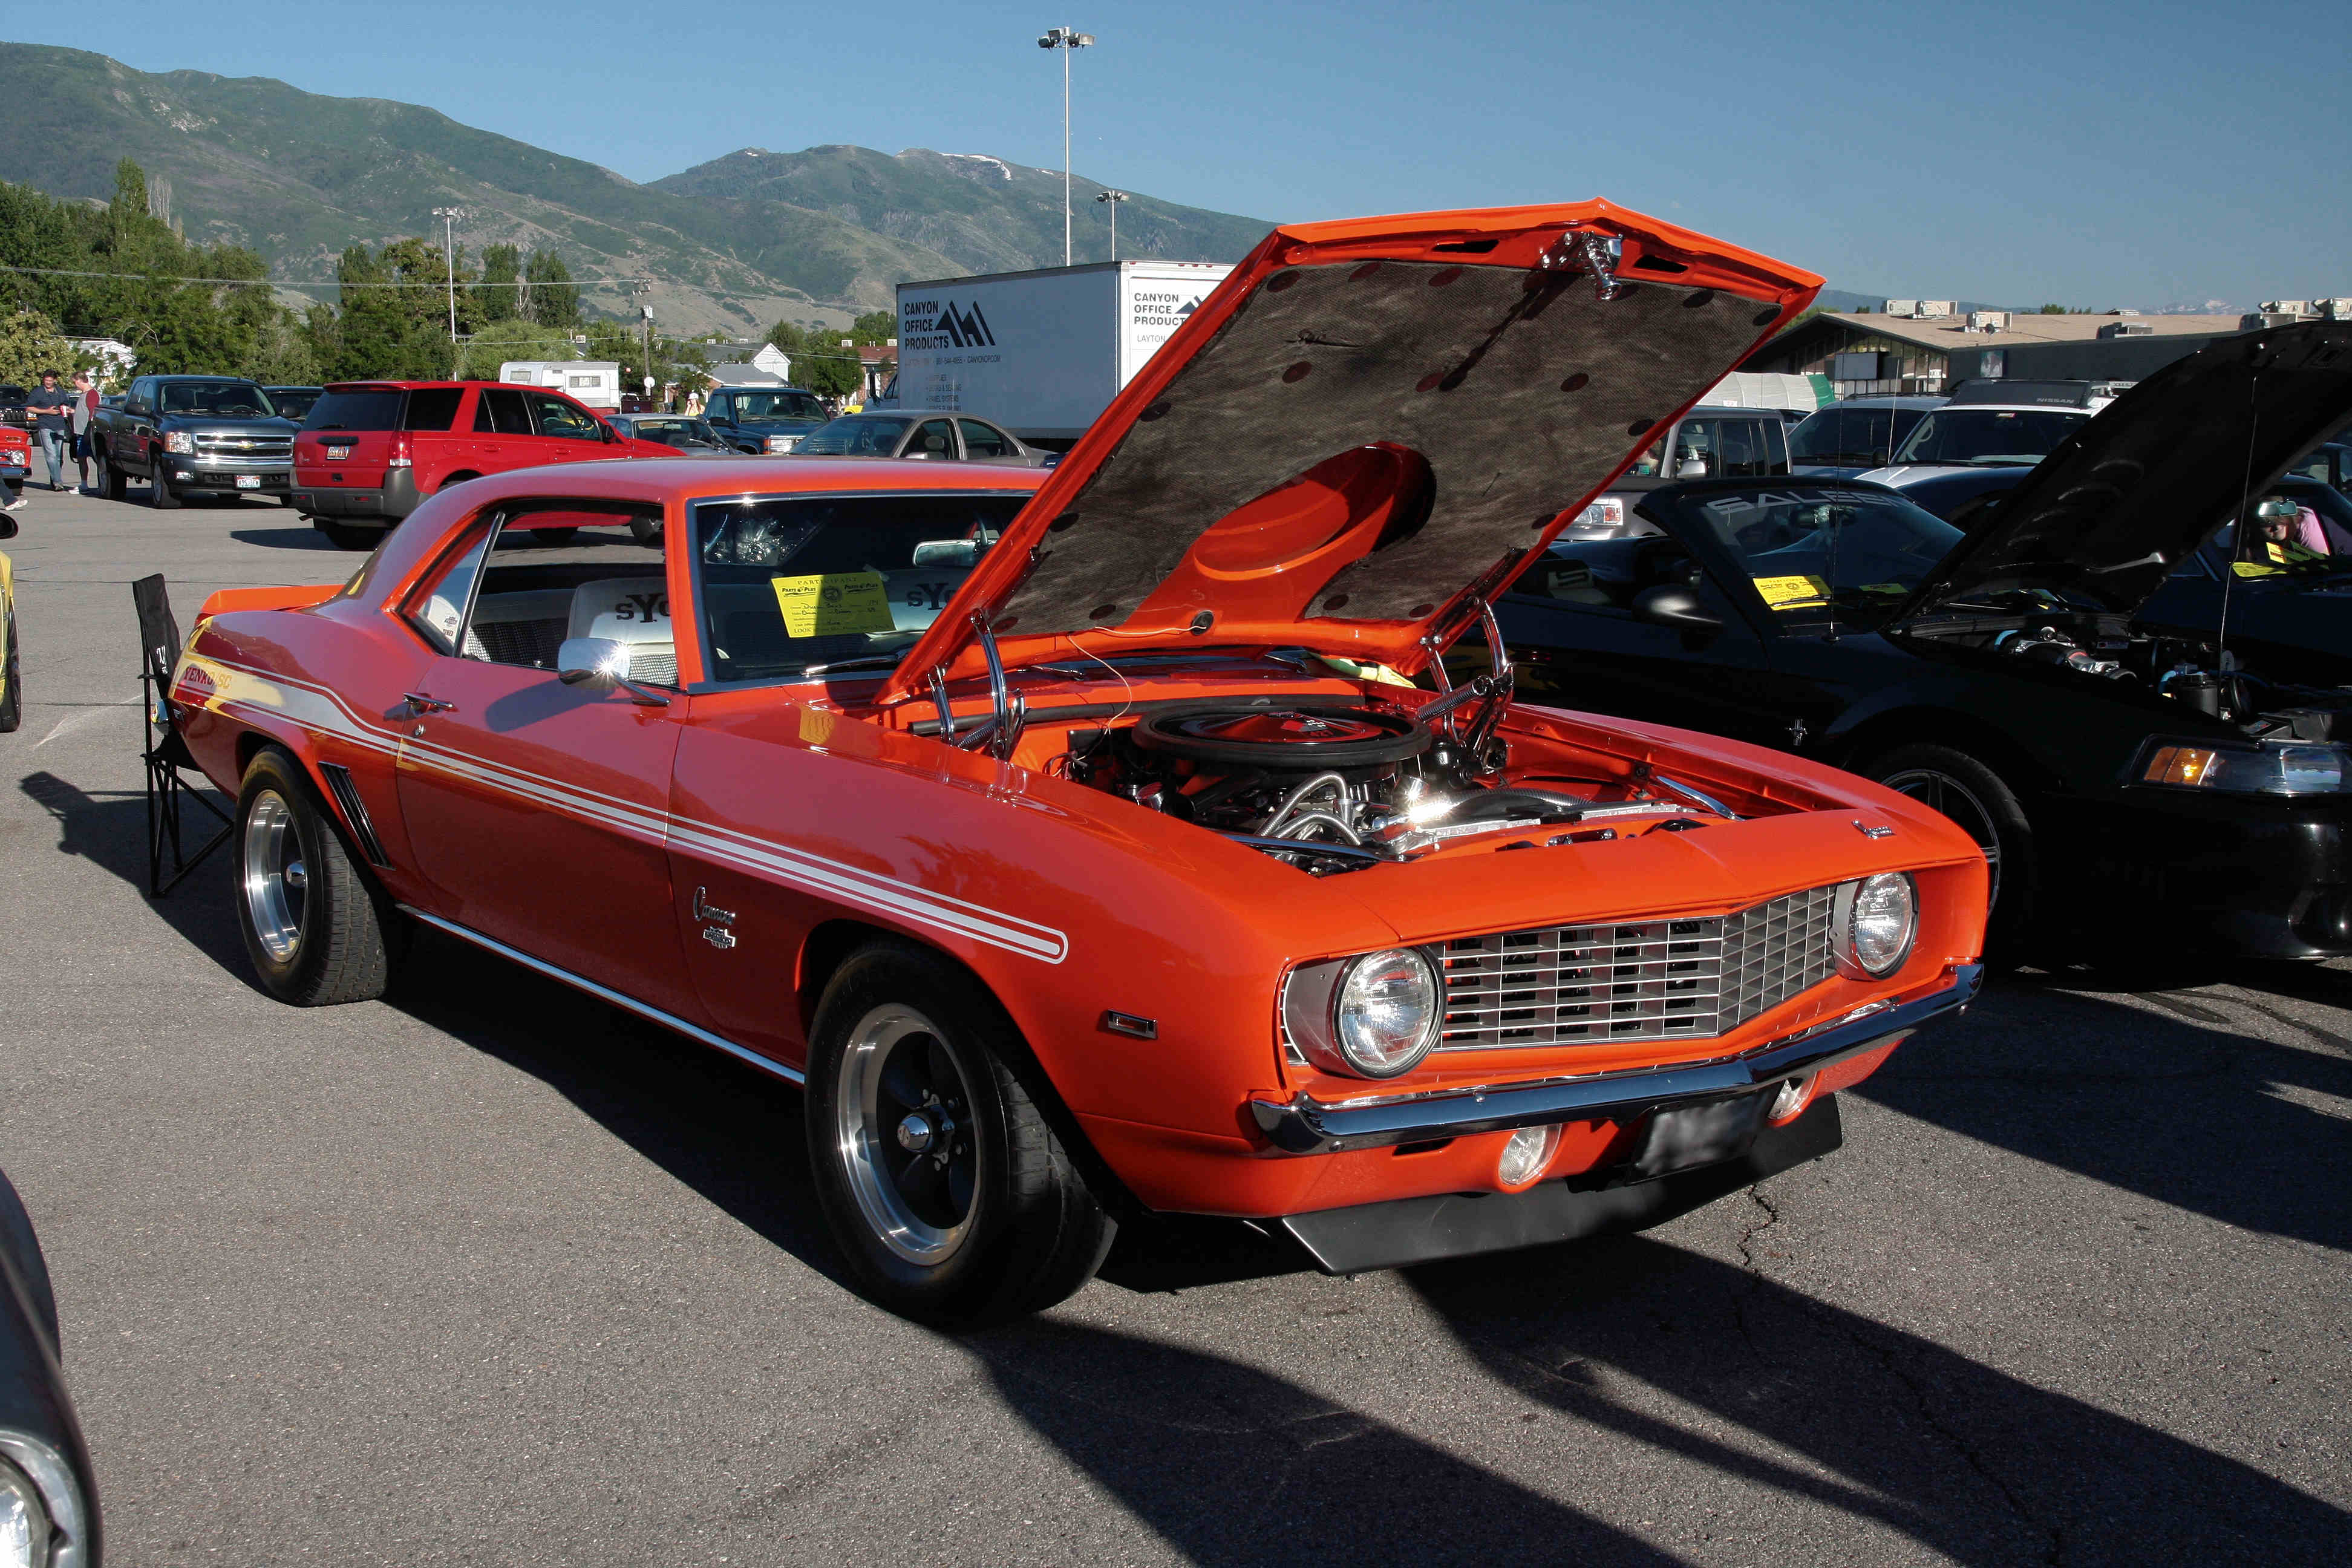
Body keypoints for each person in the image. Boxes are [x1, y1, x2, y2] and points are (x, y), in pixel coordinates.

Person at [2233, 495, 2329, 577]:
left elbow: (2324, 569)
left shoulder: (2306, 525)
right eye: (2267, 524)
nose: (2277, 527)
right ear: (2253, 527)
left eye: (2281, 518)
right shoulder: (2252, 540)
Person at [25, 370, 71, 492]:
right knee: (51, 455)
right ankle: (58, 482)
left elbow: (65, 404)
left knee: (59, 458)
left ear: (55, 380)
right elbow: (29, 408)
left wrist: (65, 409)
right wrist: (47, 411)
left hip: (60, 426)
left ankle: (54, 478)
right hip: (45, 425)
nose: (48, 383)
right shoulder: (38, 392)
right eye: (46, 380)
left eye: (51, 381)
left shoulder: (60, 391)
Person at [68, 370, 97, 490]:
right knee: (81, 457)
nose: (75, 385)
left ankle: (96, 483)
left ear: (80, 380)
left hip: (87, 432)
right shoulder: (83, 394)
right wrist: (73, 412)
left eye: (75, 382)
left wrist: (89, 430)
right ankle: (84, 484)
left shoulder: (91, 394)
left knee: (95, 458)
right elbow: (84, 411)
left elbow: (93, 412)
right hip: (80, 432)